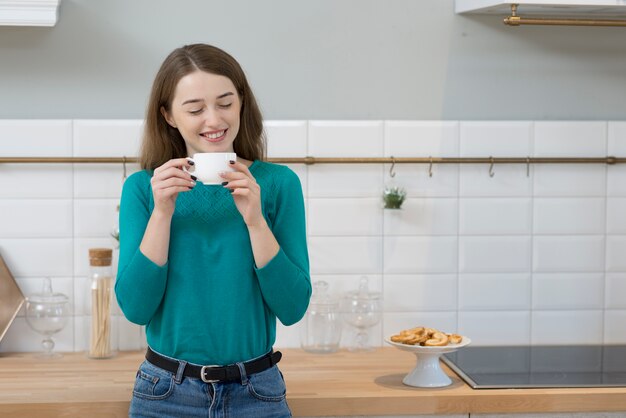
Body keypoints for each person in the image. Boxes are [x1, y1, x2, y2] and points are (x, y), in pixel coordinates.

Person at [115, 43, 311, 418]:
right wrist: (162, 214)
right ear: (169, 116)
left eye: (225, 103)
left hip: (258, 392)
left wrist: (255, 221)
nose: (214, 120)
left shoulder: (277, 185)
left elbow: (293, 307)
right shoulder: (143, 189)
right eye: (195, 108)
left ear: (242, 103)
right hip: (164, 394)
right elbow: (136, 308)